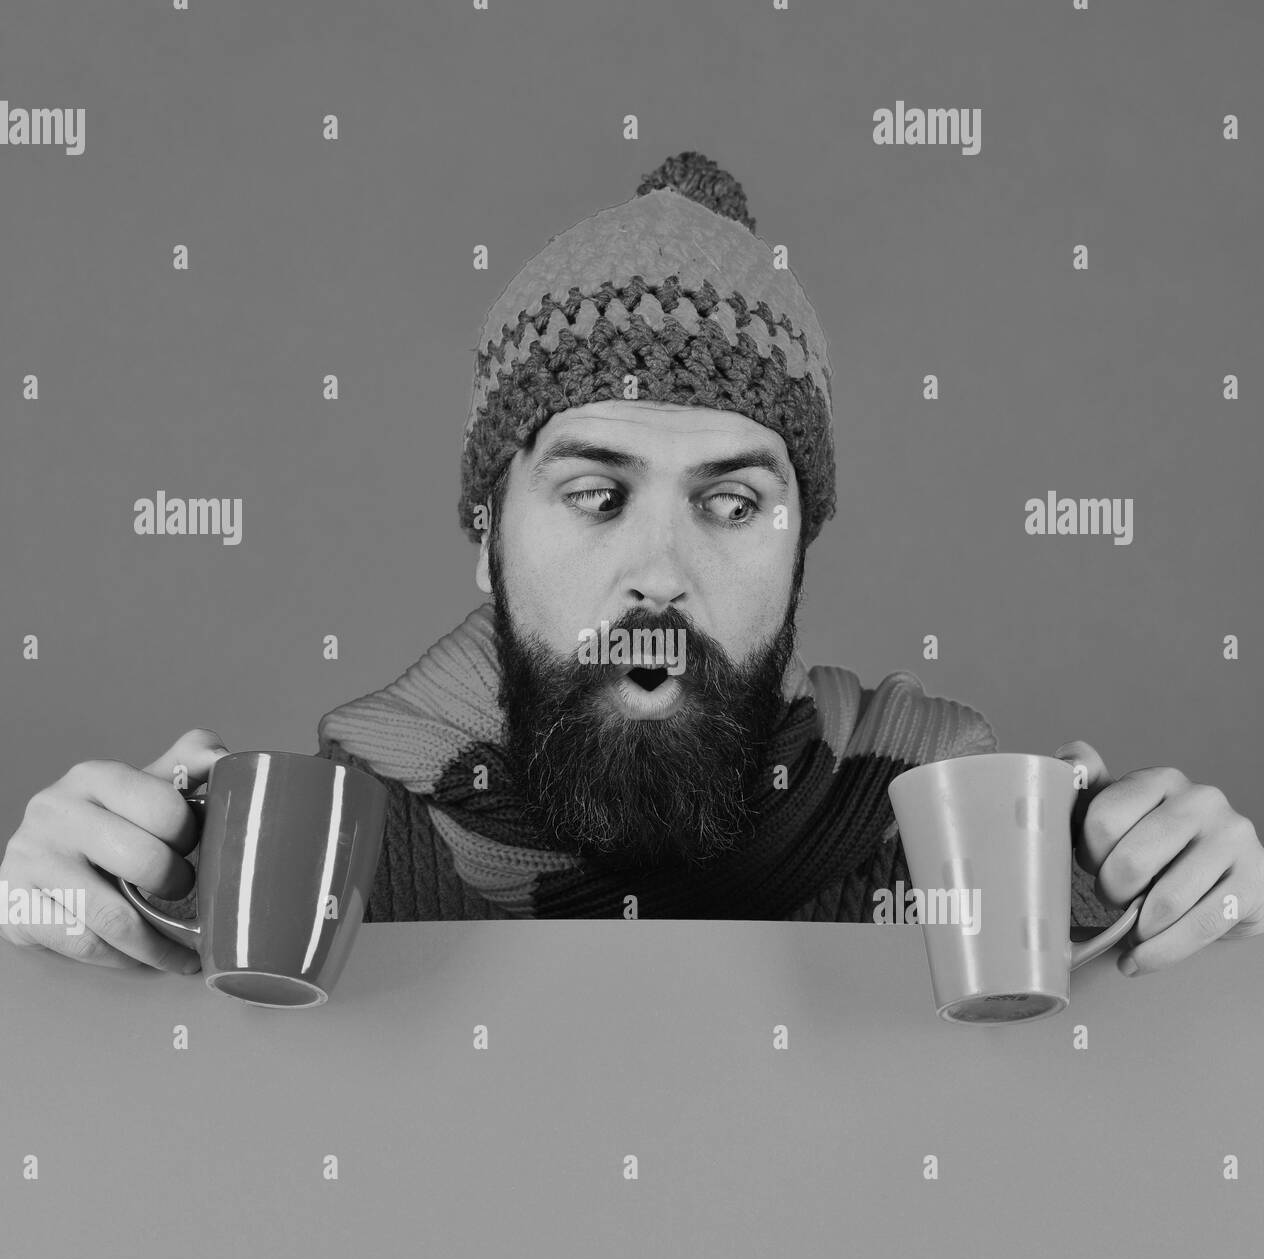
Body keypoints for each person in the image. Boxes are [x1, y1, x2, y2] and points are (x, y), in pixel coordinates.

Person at [2, 153, 1260, 971]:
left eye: (730, 503)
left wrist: (1185, 923)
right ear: (486, 533)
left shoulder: (954, 857)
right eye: (597, 495)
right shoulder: (324, 872)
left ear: (798, 548)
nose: (659, 571)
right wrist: (59, 935)